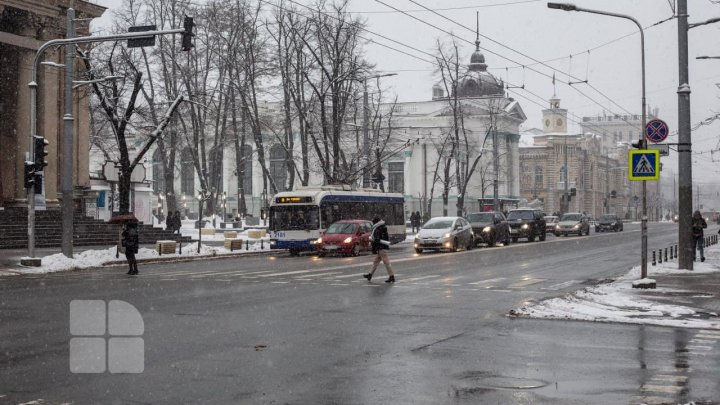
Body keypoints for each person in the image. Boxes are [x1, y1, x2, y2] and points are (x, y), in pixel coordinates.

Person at [363, 215, 395, 283]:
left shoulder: (378, 228)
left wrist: (372, 240)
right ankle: (370, 275)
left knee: (386, 262)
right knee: (376, 262)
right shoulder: (381, 227)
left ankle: (392, 276)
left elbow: (377, 239)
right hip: (381, 247)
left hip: (381, 247)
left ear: (376, 222)